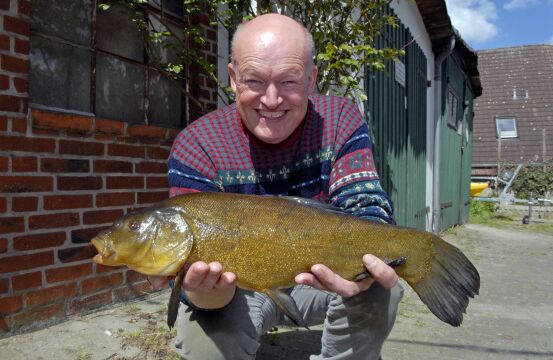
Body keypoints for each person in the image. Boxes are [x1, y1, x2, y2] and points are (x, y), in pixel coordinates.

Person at [149, 13, 404, 360]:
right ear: (234, 78)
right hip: (238, 288)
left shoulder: (340, 119)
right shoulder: (197, 144)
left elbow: (369, 211)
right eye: (254, 80)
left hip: (320, 280)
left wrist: (365, 273)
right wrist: (206, 294)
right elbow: (193, 284)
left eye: (288, 81)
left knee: (381, 285)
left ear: (311, 79)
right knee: (205, 347)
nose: (271, 100)